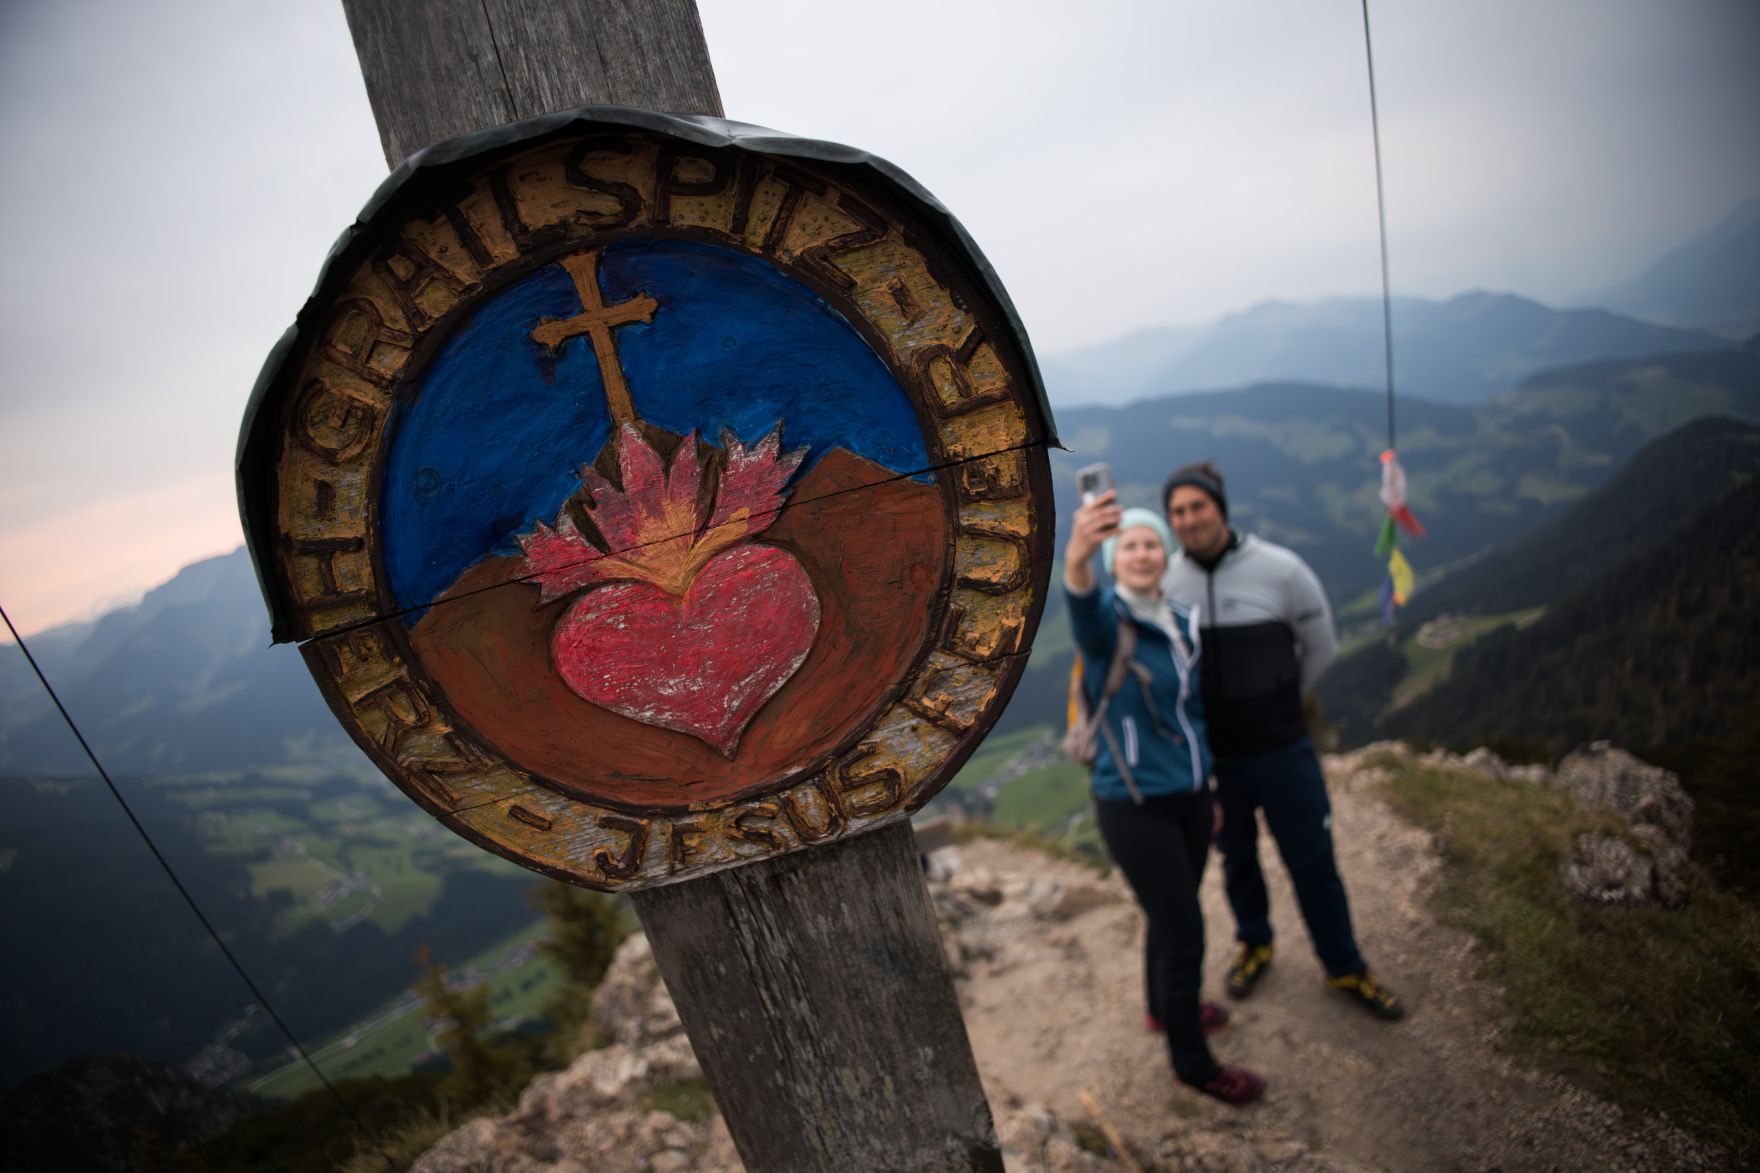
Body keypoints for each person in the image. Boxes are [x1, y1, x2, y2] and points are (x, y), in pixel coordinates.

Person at [1160, 461, 1404, 1020]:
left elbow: (1322, 647)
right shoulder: (1169, 582)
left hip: (1283, 750)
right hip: (1218, 761)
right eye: (1178, 511)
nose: (1189, 519)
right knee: (1237, 860)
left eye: (1198, 507)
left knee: (1312, 861)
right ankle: (1255, 942)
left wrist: (1280, 700)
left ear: (1220, 508)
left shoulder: (1281, 569)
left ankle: (1344, 966)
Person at [1064, 489, 1266, 1106]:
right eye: (1131, 545)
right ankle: (1192, 1063)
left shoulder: (1180, 624)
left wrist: (1208, 789)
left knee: (1168, 916)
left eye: (1152, 543)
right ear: (1117, 557)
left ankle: (1162, 1009)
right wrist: (1079, 550)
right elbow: (1077, 587)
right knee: (1185, 930)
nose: (1143, 553)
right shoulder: (1106, 623)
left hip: (1187, 798)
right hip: (1132, 805)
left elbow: (1191, 716)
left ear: (1165, 553)